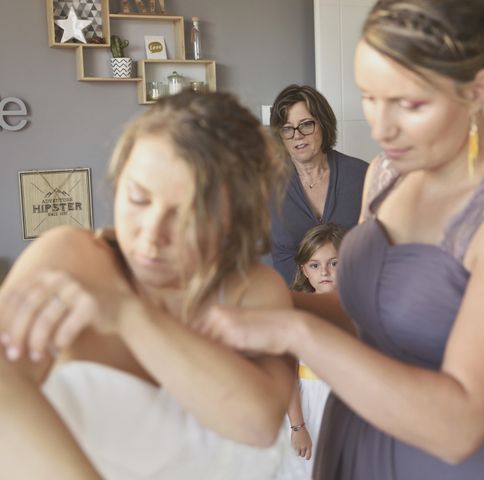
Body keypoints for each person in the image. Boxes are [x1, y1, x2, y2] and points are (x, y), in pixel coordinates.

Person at [193, 0, 484, 479]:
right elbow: (358, 311)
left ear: (477, 90)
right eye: (370, 96)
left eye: (408, 103)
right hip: (359, 434)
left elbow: (461, 425)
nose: (379, 127)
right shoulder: (387, 172)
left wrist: (294, 331)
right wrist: (249, 300)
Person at [0, 91, 295, 480]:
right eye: (138, 198)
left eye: (187, 215)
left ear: (234, 218)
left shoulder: (254, 290)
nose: (152, 236)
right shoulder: (71, 255)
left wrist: (126, 314)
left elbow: (257, 424)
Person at [269, 84, 368, 285]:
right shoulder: (267, 183)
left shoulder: (361, 175)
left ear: (323, 124)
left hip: (353, 300)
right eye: (287, 129)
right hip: (292, 303)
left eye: (306, 124)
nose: (297, 135)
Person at [281, 224, 346, 479]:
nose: (325, 272)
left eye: (334, 263)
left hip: (349, 403)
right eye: (315, 265)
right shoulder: (296, 313)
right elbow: (287, 374)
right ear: (303, 270)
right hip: (309, 407)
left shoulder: (359, 310)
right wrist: (298, 426)